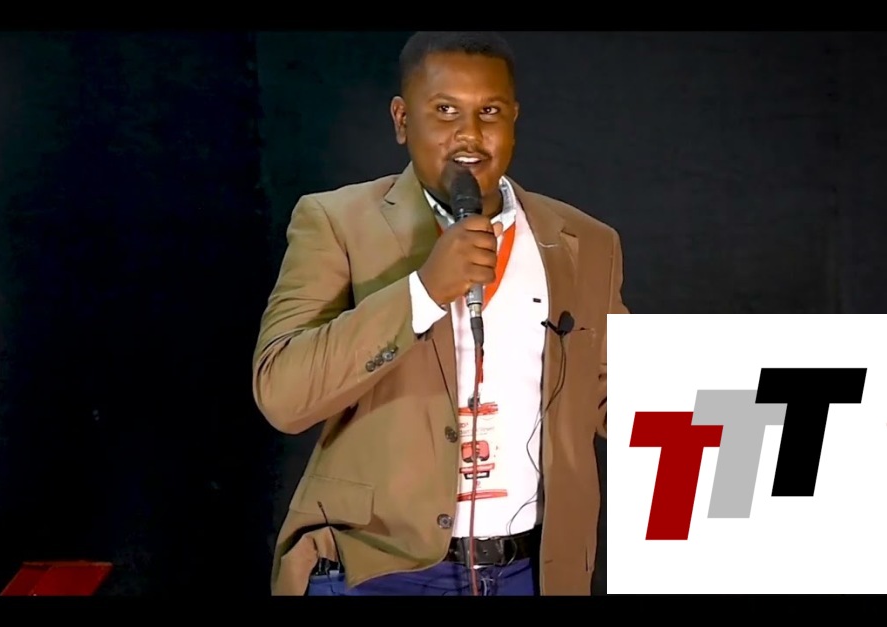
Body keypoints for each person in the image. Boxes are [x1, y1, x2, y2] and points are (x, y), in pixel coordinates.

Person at [252, 31, 628, 596]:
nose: (470, 134)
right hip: (377, 569)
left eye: (490, 112)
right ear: (403, 120)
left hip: (531, 571)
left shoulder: (586, 242)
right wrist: (423, 292)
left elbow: (614, 395)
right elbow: (283, 394)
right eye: (446, 111)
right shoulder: (336, 222)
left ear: (514, 119)